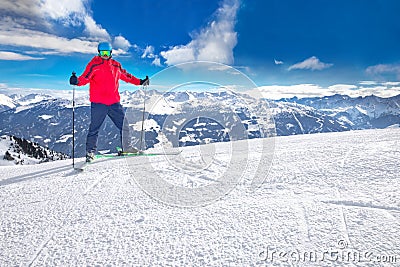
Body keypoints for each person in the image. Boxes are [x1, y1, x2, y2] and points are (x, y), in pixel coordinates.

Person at [69, 41, 149, 162]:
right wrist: (77, 81)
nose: (105, 55)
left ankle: (127, 148)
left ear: (111, 52)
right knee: (94, 128)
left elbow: (127, 76)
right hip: (98, 103)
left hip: (114, 103)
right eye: (102, 52)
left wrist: (140, 82)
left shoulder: (116, 65)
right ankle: (90, 152)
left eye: (107, 52)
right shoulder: (93, 65)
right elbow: (85, 78)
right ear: (99, 52)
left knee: (124, 126)